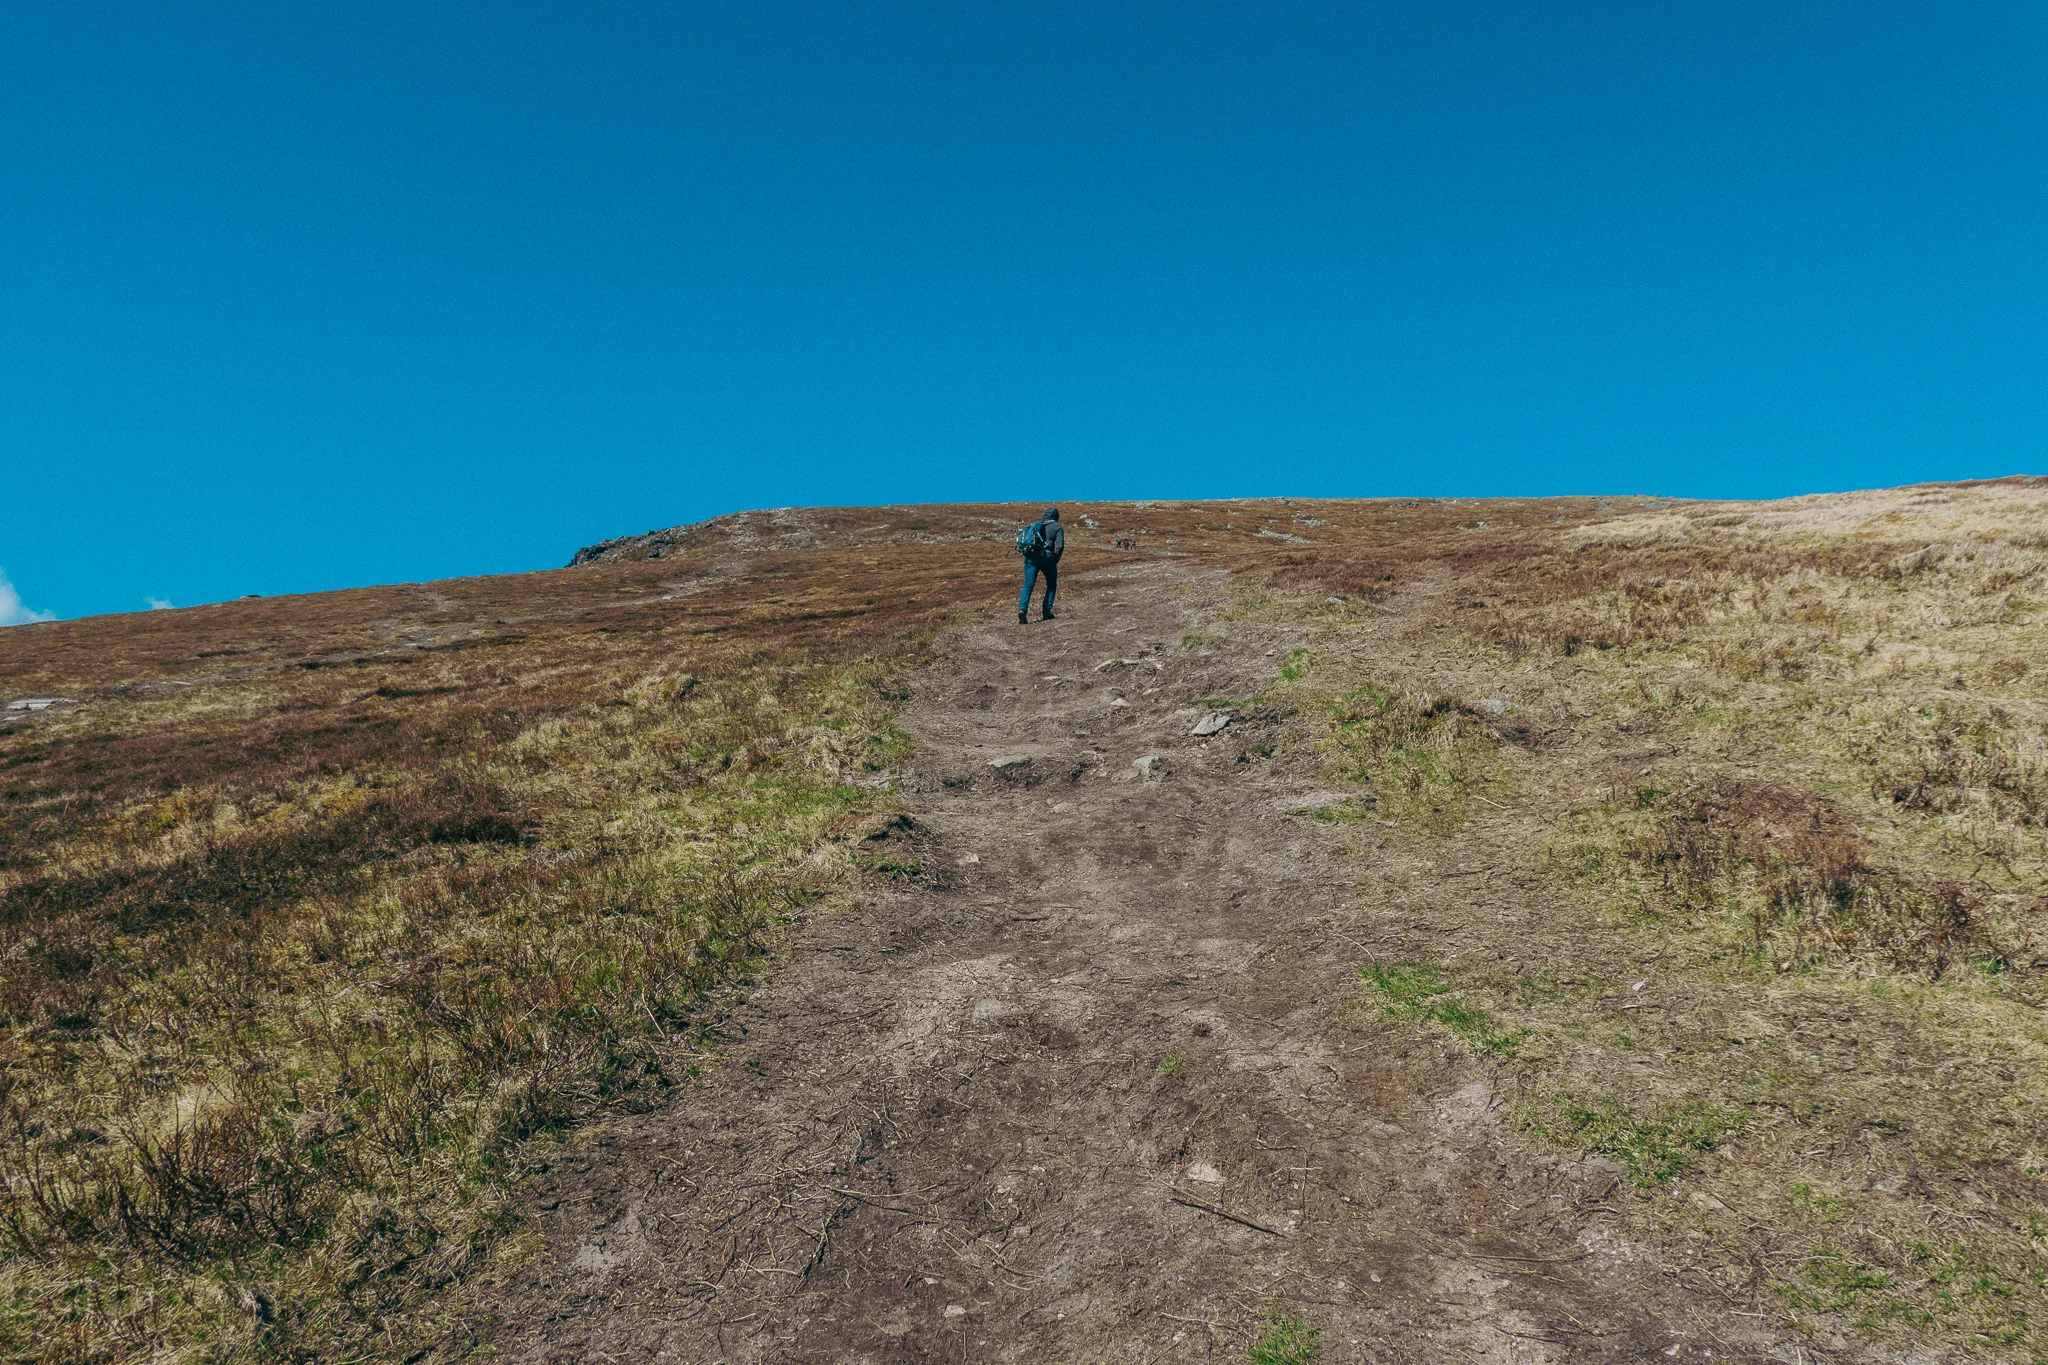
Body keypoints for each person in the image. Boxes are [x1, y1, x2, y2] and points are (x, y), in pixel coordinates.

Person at [1017, 506, 1064, 624]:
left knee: (1028, 584)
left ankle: (1022, 609)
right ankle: (1046, 611)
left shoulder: (1036, 525)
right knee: (1051, 585)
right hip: (1047, 558)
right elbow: (1060, 546)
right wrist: (1055, 560)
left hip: (1031, 557)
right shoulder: (1057, 527)